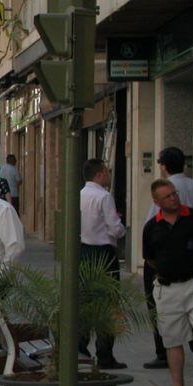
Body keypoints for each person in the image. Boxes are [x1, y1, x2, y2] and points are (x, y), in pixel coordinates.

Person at [141, 179, 193, 386]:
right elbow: (150, 258)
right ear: (157, 202)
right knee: (172, 338)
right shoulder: (151, 227)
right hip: (168, 286)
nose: (173, 198)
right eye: (167, 196)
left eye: (174, 194)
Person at [143, 147, 193, 370]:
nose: (173, 198)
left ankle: (163, 351)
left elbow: (152, 226)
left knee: (160, 309)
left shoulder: (161, 191)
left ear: (163, 166)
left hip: (172, 259)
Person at [79, 158, 127, 369]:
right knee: (108, 303)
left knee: (85, 300)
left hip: (83, 251)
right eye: (106, 171)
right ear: (99, 174)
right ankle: (105, 353)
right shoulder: (104, 196)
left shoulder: (79, 194)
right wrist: (121, 227)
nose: (109, 174)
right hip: (103, 253)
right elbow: (114, 227)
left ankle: (80, 346)